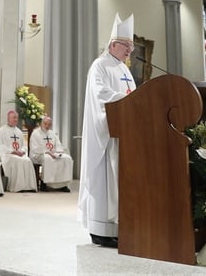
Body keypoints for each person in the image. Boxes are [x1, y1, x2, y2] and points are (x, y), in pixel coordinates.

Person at [78, 13, 135, 248]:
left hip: (123, 136)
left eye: (131, 46)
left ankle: (118, 227)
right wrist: (127, 101)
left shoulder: (125, 69)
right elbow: (100, 95)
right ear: (113, 44)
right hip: (106, 136)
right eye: (126, 45)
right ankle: (100, 230)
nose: (130, 50)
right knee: (104, 181)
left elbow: (135, 98)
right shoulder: (99, 66)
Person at [0, 110, 37, 192]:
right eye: (14, 118)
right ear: (8, 118)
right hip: (7, 155)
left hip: (18, 154)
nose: (16, 119)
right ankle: (18, 187)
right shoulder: (1, 130)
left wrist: (22, 151)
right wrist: (13, 151)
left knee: (27, 161)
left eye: (17, 118)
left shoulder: (19, 131)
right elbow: (0, 146)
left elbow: (24, 145)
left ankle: (29, 186)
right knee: (18, 161)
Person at [29, 116, 73, 192]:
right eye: (45, 124)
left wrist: (58, 152)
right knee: (47, 158)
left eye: (49, 124)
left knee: (66, 158)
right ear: (41, 123)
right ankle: (44, 183)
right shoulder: (35, 133)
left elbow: (58, 144)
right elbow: (34, 147)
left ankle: (62, 185)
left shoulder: (52, 133)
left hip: (53, 153)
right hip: (39, 154)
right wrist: (47, 152)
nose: (47, 126)